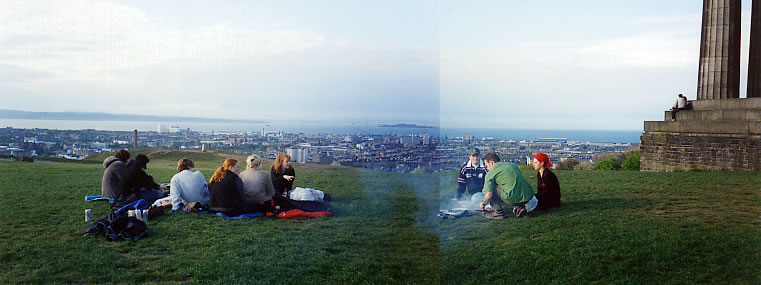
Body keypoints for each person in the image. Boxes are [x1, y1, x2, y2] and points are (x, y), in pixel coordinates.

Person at [479, 152, 537, 219]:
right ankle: (520, 207)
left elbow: (488, 195)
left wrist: (483, 204)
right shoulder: (512, 165)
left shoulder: (490, 174)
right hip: (527, 197)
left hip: (512, 198)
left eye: (486, 165)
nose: (487, 168)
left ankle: (497, 212)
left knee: (491, 188)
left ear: (491, 163)